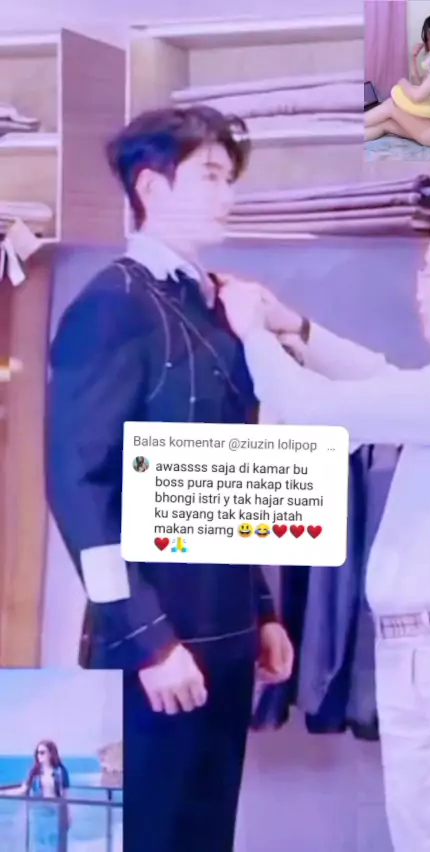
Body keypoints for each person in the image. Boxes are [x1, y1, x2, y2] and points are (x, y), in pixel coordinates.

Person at [46, 105, 294, 852]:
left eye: (230, 178)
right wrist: (147, 640)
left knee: (206, 835)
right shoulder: (112, 305)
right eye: (210, 176)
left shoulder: (214, 304)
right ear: (151, 187)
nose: (229, 194)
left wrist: (262, 608)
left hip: (225, 637)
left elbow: (224, 480)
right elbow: (79, 489)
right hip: (155, 647)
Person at [218, 221, 430, 852]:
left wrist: (254, 333)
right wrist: (297, 329)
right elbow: (382, 380)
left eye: (429, 272)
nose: (418, 291)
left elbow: (315, 410)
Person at [365, 11, 430, 148]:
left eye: (428, 34)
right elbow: (420, 85)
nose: (426, 40)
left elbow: (417, 96)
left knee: (391, 106)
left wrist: (402, 82)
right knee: (387, 124)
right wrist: (413, 58)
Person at [2, 740, 70, 852]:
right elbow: (23, 789)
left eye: (42, 752)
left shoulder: (61, 771)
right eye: (37, 753)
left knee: (54, 842)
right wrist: (4, 793)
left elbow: (66, 796)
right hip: (39, 812)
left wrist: (67, 816)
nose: (39, 755)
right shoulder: (34, 771)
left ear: (51, 753)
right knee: (39, 843)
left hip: (55, 812)